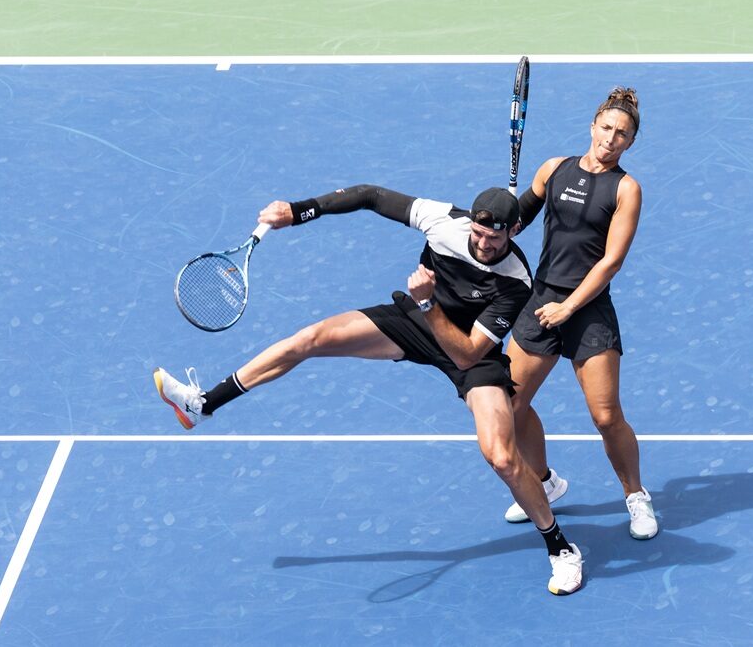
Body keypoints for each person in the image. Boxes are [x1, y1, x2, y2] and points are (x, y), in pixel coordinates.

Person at [154, 185, 584, 595]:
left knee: (503, 458)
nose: (484, 244)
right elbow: (371, 196)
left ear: (513, 231)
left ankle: (560, 546)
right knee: (309, 340)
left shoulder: (515, 281)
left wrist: (428, 303)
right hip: (414, 324)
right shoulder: (444, 221)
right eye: (478, 232)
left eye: (494, 238)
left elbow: (469, 354)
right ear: (470, 221)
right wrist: (300, 211)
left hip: (469, 350)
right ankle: (204, 403)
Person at [501, 87, 659, 540]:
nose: (611, 139)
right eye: (606, 128)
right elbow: (516, 222)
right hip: (540, 301)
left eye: (622, 134)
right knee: (511, 404)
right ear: (592, 126)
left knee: (606, 416)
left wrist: (569, 306)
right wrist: (501, 216)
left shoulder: (627, 189)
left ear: (631, 142)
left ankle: (636, 496)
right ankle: (545, 484)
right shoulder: (553, 169)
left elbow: (611, 261)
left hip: (586, 309)